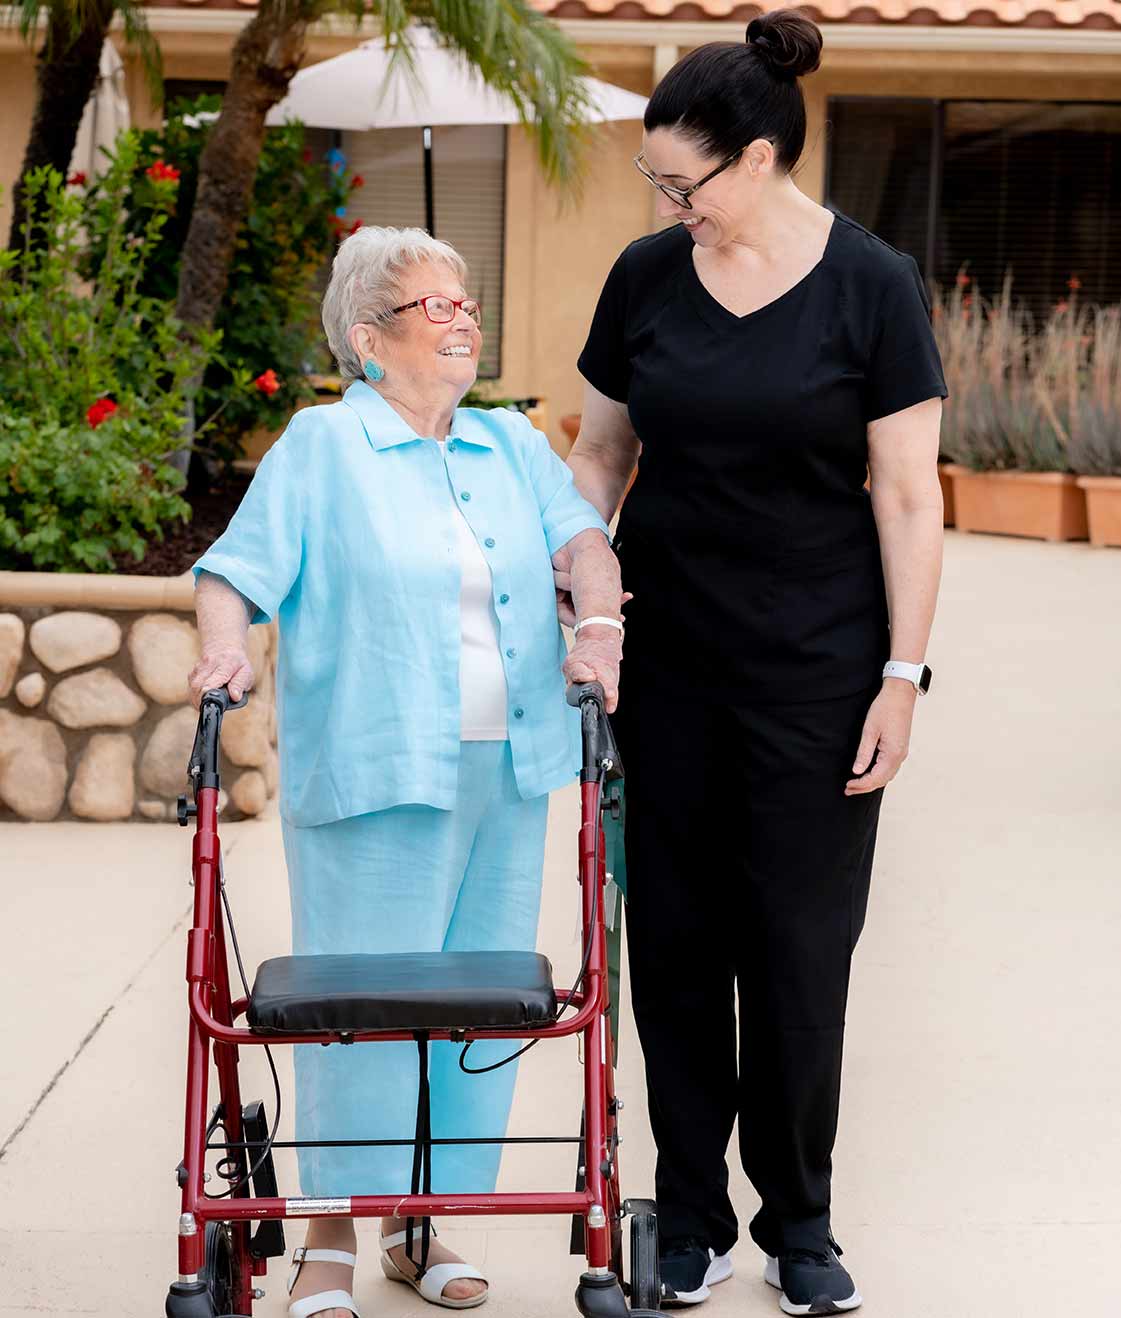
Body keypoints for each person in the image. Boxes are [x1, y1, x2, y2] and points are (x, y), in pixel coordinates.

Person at [566, 12, 946, 1315]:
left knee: (796, 950)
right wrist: (591, 596)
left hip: (818, 673)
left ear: (766, 154)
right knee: (674, 944)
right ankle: (687, 1213)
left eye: (688, 183)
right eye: (656, 185)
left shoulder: (873, 286)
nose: (671, 206)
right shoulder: (646, 276)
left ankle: (800, 1218)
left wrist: (903, 674)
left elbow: (906, 495)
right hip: (665, 662)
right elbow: (599, 459)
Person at [188, 225, 625, 1318]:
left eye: (466, 301)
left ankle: (427, 1227)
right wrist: (224, 643)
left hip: (510, 771)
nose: (462, 318)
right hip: (375, 772)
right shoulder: (319, 448)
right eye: (434, 305)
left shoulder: (507, 446)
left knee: (478, 1010)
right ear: (366, 339)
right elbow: (232, 572)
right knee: (359, 1008)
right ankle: (330, 1243)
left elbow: (581, 538)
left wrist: (600, 619)